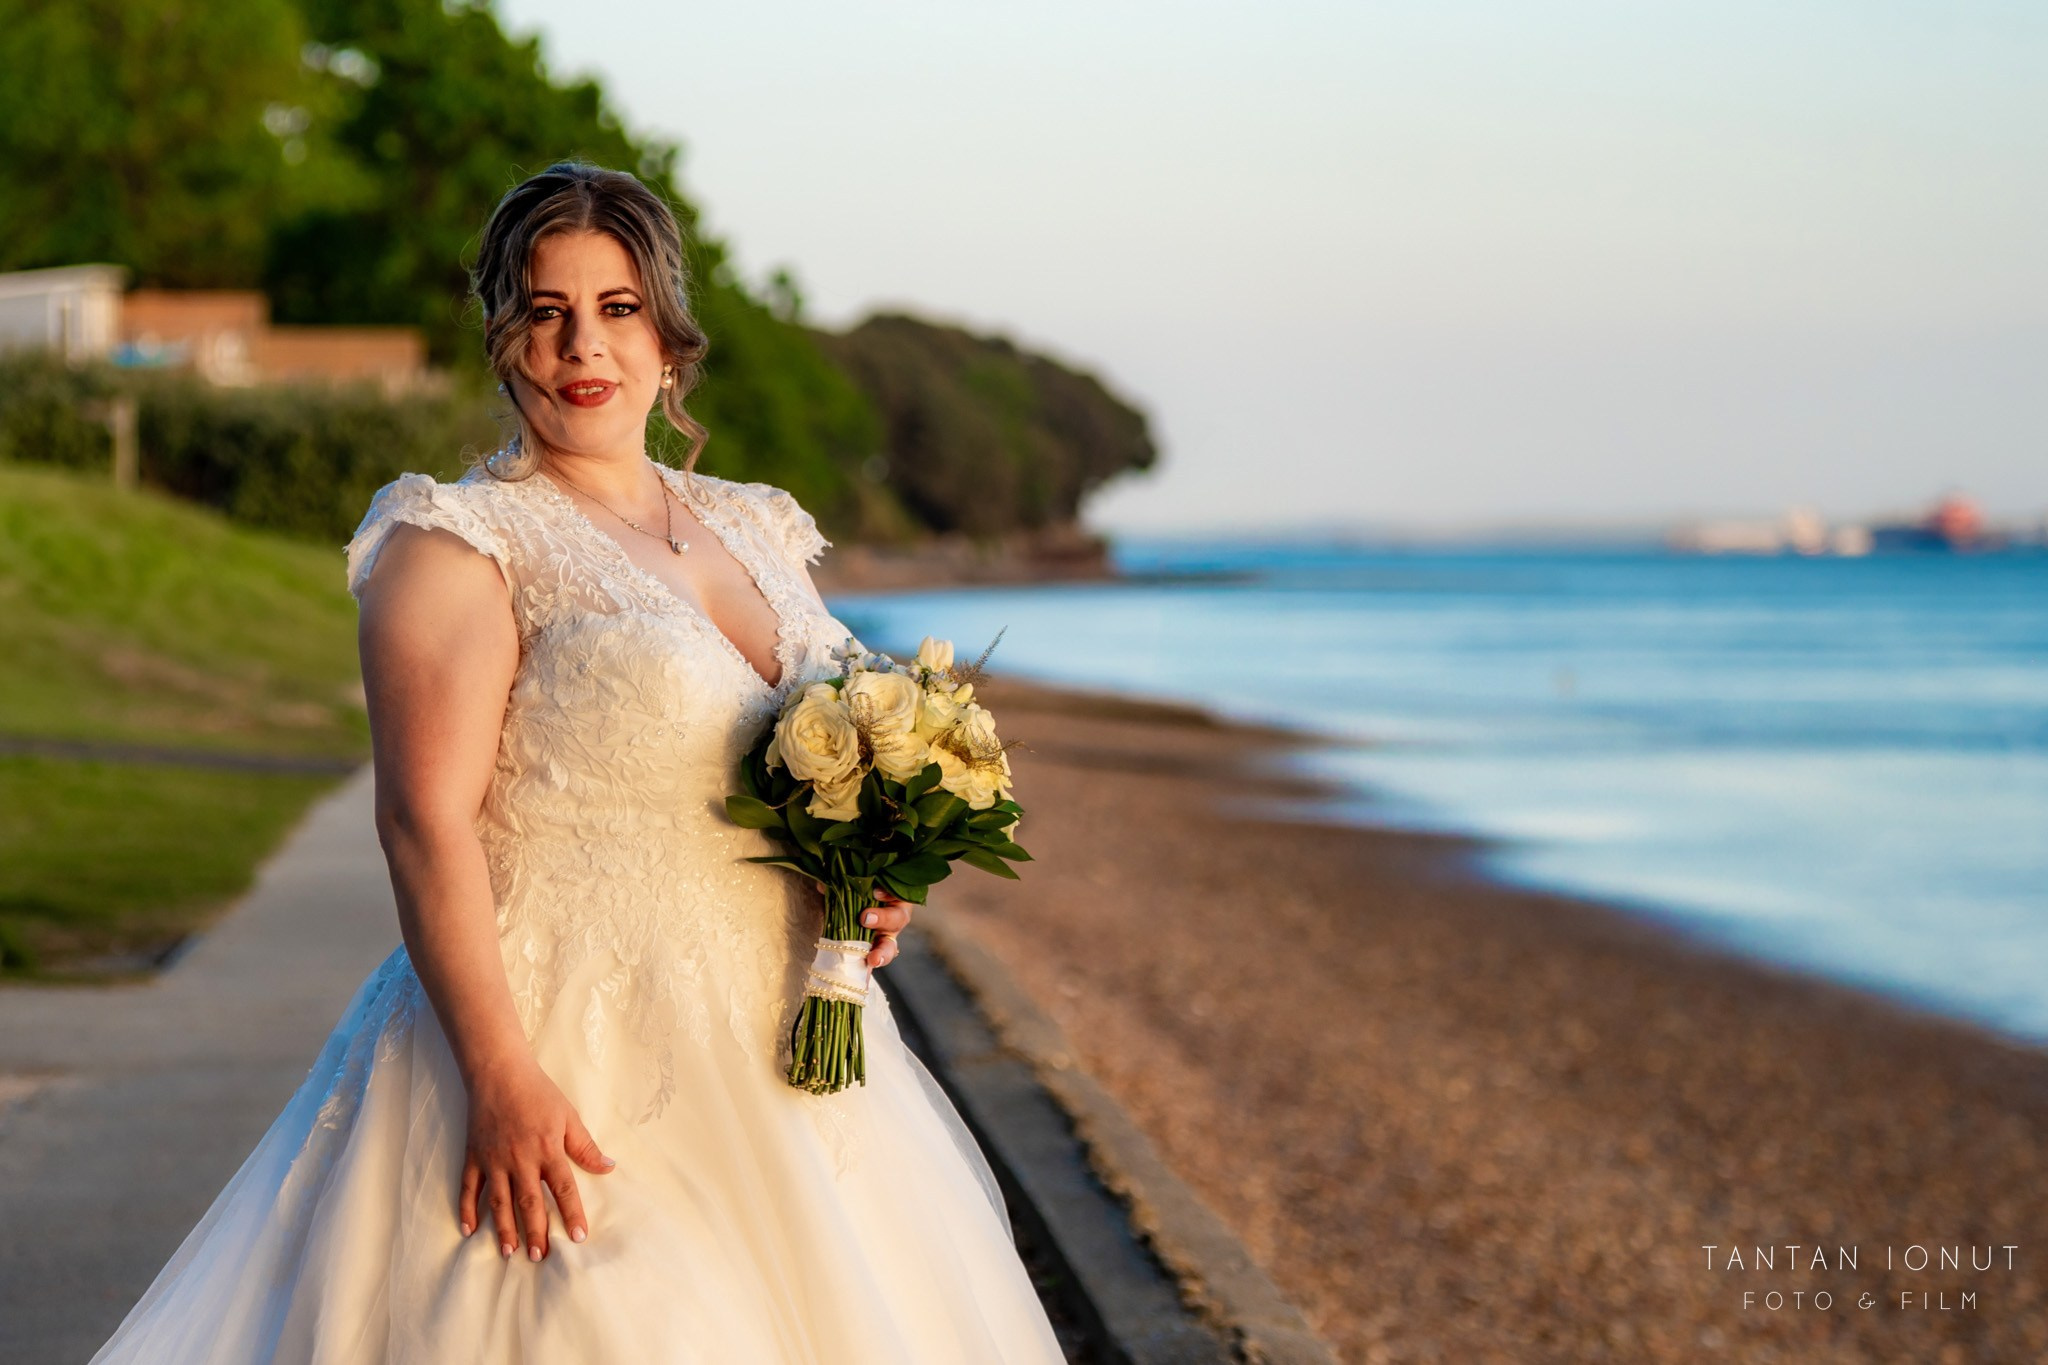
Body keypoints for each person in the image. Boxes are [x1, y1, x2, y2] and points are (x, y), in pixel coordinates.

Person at [88, 161, 1069, 1363]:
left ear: (667, 338)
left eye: (615, 308)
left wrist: (872, 878)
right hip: (562, 1045)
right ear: (504, 342)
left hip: (787, 1048)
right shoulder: (459, 542)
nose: (580, 346)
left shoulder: (756, 524)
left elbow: (817, 752)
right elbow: (423, 824)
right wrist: (499, 1077)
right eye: (545, 312)